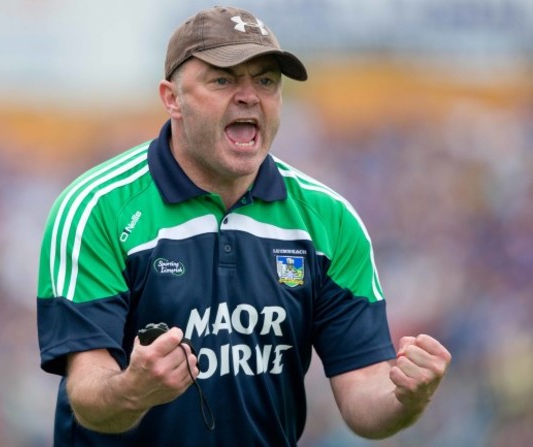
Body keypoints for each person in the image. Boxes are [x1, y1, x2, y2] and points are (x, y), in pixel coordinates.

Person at [36, 5, 452, 446]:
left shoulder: (329, 221)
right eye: (223, 79)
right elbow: (88, 395)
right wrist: (133, 390)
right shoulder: (96, 209)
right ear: (172, 98)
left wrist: (406, 396)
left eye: (266, 81)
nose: (250, 95)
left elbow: (364, 396)